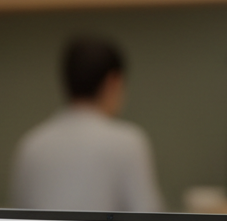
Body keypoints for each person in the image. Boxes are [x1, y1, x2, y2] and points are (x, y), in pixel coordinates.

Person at [10, 37, 164, 212]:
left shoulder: (31, 145)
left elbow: (19, 220)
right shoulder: (128, 143)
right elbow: (148, 218)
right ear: (113, 82)